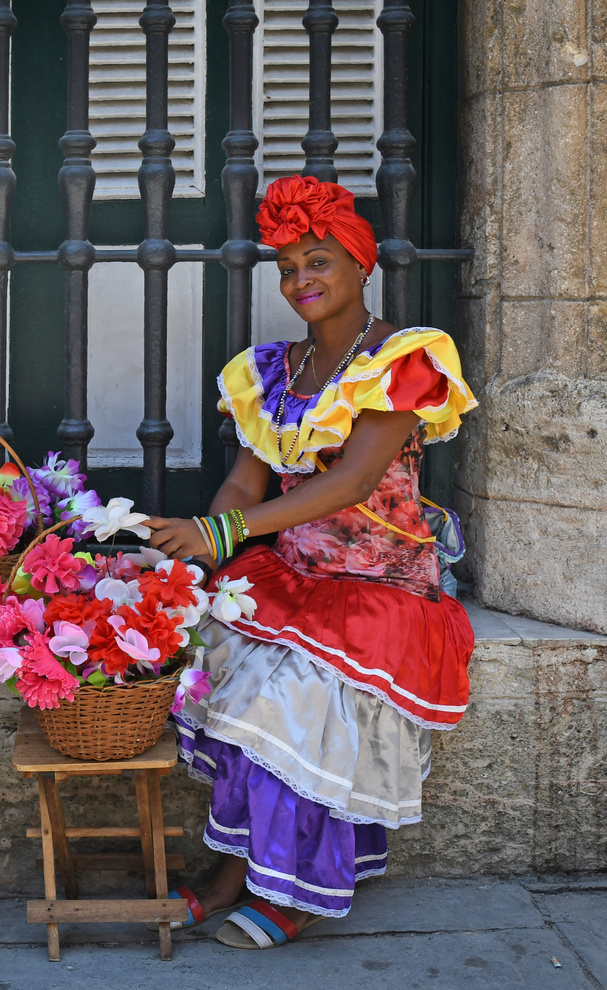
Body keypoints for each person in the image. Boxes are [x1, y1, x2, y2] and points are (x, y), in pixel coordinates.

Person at [144, 175, 477, 949]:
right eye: (289, 268)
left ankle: (290, 888)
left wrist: (222, 536)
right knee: (233, 688)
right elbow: (244, 478)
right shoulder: (270, 371)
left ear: (363, 266)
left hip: (381, 589)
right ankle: (234, 869)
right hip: (292, 576)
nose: (302, 282)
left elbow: (352, 481)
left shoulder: (403, 360)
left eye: (319, 261)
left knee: (290, 704)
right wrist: (203, 535)